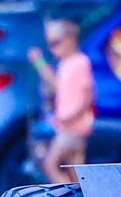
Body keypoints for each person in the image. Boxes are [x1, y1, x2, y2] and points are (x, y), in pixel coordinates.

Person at [28, 19, 95, 184]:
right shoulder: (66, 64)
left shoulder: (80, 62)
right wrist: (39, 62)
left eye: (56, 43)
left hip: (73, 127)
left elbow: (88, 96)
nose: (52, 48)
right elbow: (55, 84)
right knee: (75, 171)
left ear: (71, 39)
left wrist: (69, 118)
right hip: (67, 126)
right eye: (50, 44)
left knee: (51, 164)